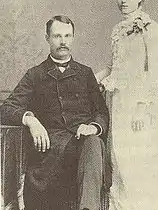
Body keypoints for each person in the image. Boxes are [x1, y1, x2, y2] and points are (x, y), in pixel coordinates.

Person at [95, 0, 158, 210]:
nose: (123, 0)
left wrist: (141, 109)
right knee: (121, 162)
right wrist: (89, 79)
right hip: (119, 102)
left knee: (141, 164)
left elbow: (154, 72)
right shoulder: (117, 29)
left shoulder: (149, 27)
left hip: (142, 103)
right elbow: (111, 67)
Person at [1, 15, 109, 210]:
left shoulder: (85, 73)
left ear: (73, 38)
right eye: (57, 36)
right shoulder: (35, 74)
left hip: (82, 148)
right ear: (47, 38)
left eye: (68, 36)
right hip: (49, 154)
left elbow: (101, 112)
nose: (63, 41)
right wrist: (30, 120)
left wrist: (93, 127)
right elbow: (6, 108)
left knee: (94, 143)